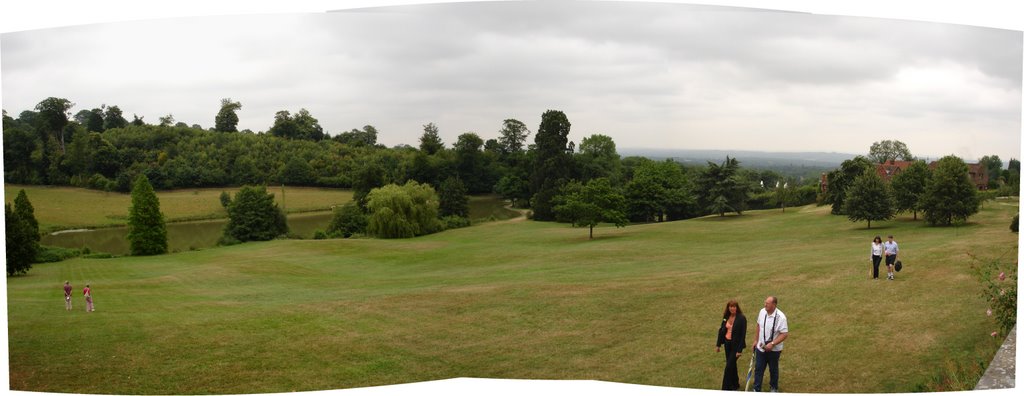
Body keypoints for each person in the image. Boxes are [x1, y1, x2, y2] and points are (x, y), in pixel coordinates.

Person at [753, 296, 789, 392]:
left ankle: (773, 388)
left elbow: (784, 334)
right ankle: (756, 389)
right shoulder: (762, 312)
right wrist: (756, 340)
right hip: (760, 348)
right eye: (765, 302)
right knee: (758, 369)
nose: (765, 305)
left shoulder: (781, 317)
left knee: (773, 370)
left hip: (774, 350)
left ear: (774, 305)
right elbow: (758, 325)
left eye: (767, 303)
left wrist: (772, 343)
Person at [716, 300, 748, 390]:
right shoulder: (726, 316)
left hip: (736, 346)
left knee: (728, 367)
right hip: (727, 344)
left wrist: (739, 350)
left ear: (737, 308)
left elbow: (743, 335)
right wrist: (718, 345)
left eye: (734, 306)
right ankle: (735, 384)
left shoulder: (741, 318)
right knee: (732, 365)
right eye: (730, 306)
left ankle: (725, 389)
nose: (732, 308)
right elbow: (721, 330)